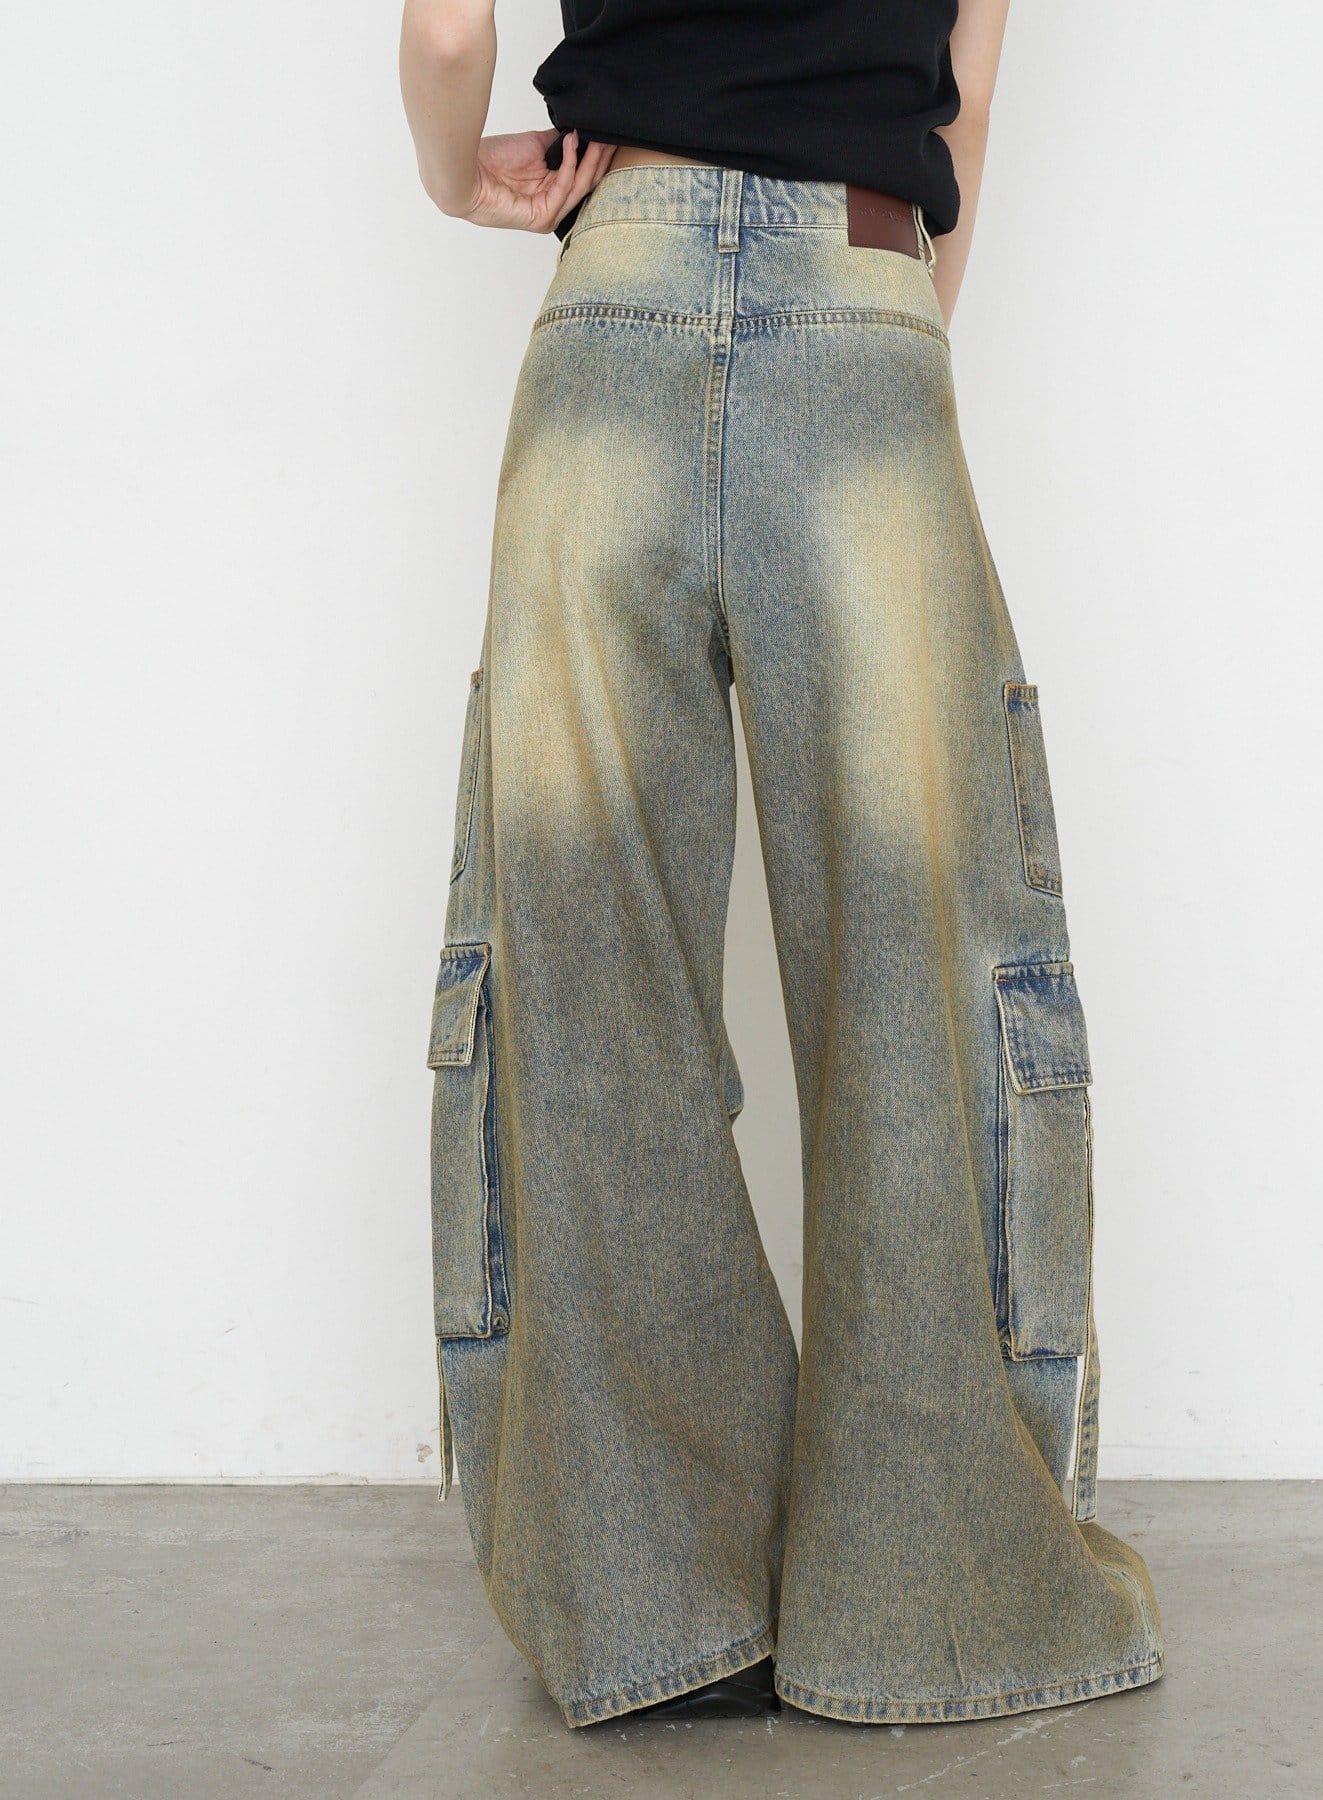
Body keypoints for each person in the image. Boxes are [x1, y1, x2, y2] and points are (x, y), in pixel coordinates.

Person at [399, 0, 1166, 1730]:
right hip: (863, 295)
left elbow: (450, 35)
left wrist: (456, 176)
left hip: (611, 306)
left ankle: (651, 1610)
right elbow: (966, 95)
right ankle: (928, 1605)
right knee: (915, 965)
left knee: (586, 955)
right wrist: (884, 326)